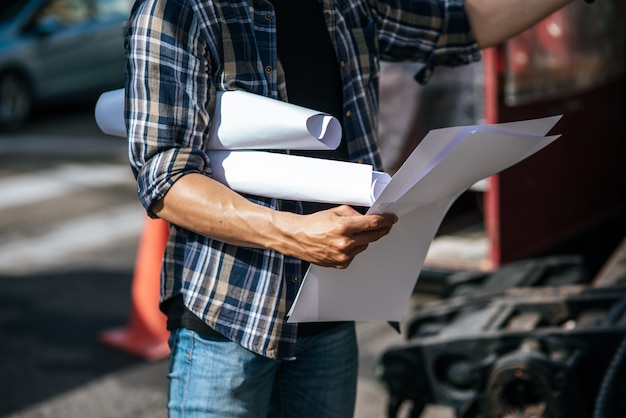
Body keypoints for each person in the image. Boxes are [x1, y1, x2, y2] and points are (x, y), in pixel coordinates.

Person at [124, 0, 576, 416]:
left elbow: (462, 23)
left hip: (331, 308)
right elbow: (166, 178)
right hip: (232, 317)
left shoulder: (347, 3)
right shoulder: (178, 9)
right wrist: (294, 234)